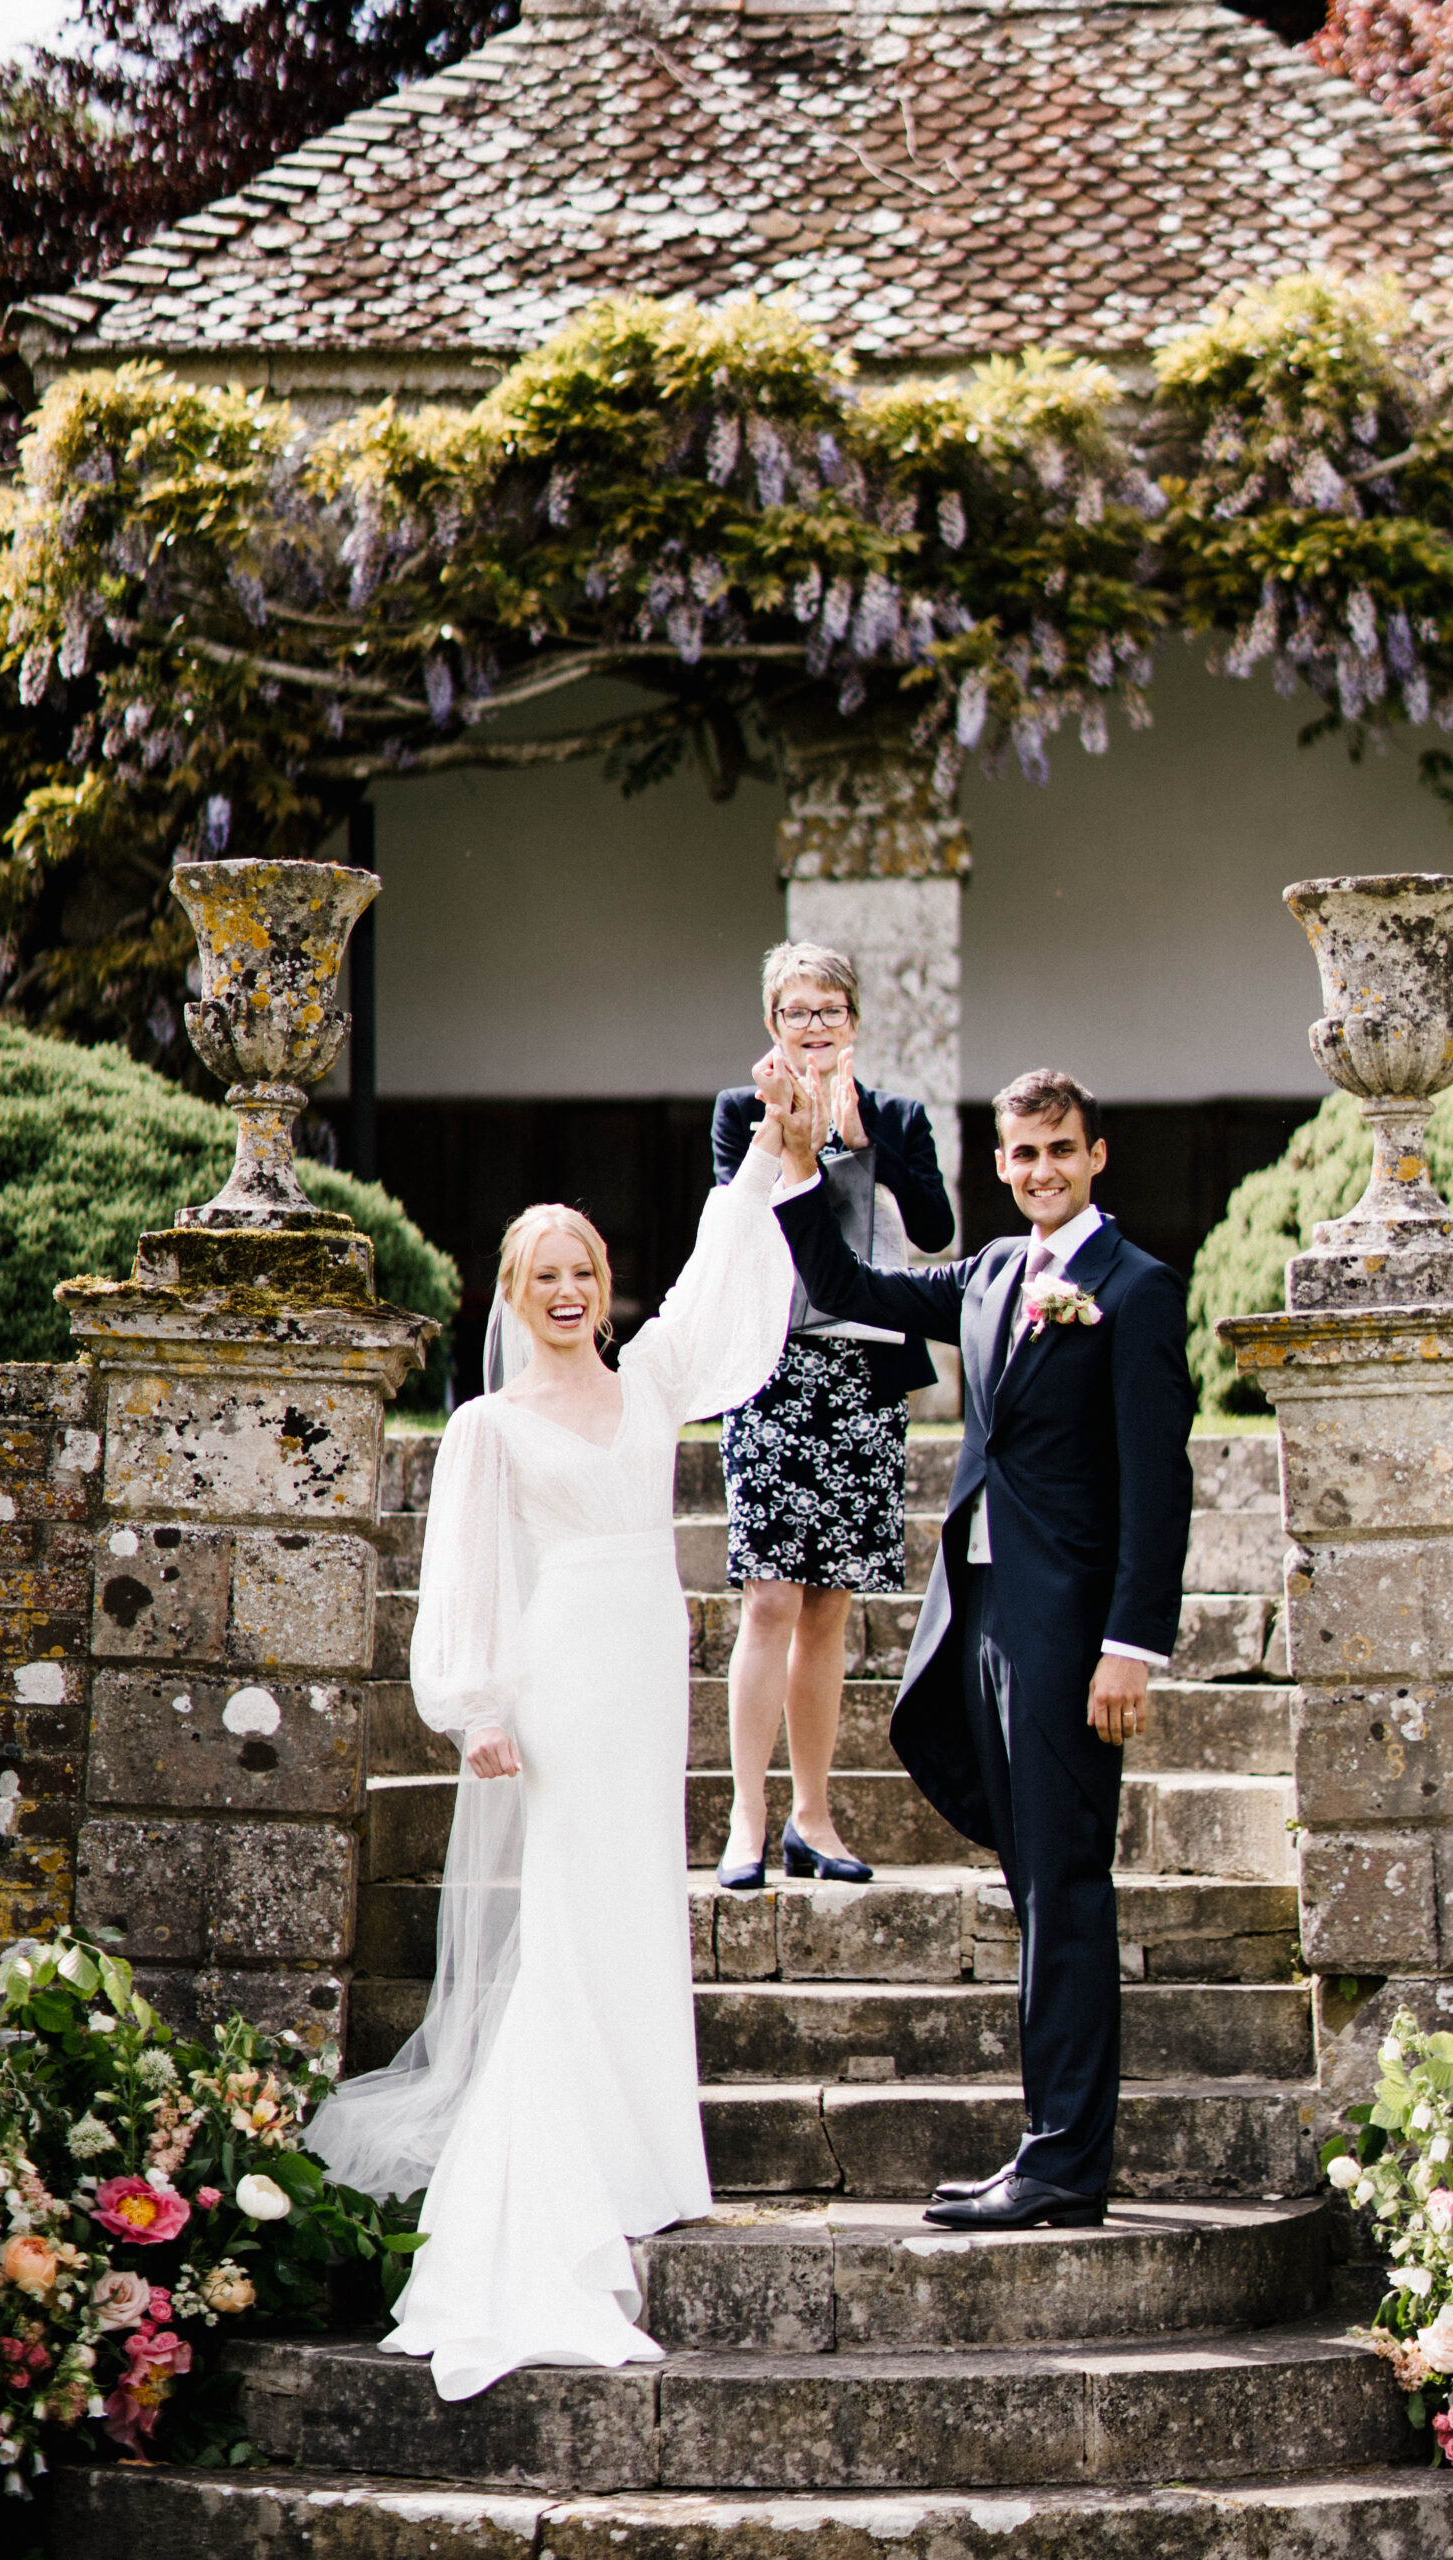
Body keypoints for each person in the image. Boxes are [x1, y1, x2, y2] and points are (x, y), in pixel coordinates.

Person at [307, 1127, 794, 2395]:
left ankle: (649, 2157)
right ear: (512, 1297)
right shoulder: (486, 1425)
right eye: (545, 1275)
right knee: (575, 1901)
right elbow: (461, 1577)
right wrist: (477, 1709)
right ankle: (566, 2154)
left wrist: (760, 1172)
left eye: (585, 1269)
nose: (571, 1289)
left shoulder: (650, 1384)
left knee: (640, 1894)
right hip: (565, 1668)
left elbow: (713, 1283)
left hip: (649, 1667)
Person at [762, 1061, 1194, 2232]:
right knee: (1033, 1882)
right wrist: (804, 1168)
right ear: (999, 1164)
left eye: (1061, 1149)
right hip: (986, 1614)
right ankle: (1052, 2148)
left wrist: (1131, 1646)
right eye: (1022, 1154)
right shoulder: (998, 1270)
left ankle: (1062, 2161)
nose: (1041, 1170)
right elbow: (852, 1279)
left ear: (1096, 1155)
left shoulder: (1138, 1288)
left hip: (1072, 1631)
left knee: (1065, 1887)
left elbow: (1162, 1487)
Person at [710, 940, 955, 1890]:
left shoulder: (896, 1115)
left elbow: (933, 1229)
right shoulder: (741, 1113)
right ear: (772, 1024)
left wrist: (867, 1141)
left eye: (829, 1010)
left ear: (853, 1021)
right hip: (769, 1366)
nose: (813, 1026)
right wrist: (789, 1136)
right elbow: (735, 1221)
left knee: (827, 1603)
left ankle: (813, 1816)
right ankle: (747, 1817)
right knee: (769, 1594)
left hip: (860, 1369)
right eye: (795, 1011)